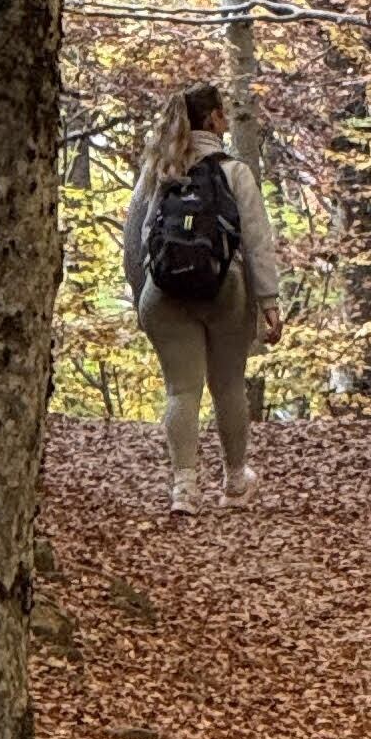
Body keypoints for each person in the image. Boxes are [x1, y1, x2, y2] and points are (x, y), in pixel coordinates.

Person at [124, 81, 283, 512]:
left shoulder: (159, 171)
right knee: (228, 384)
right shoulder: (234, 172)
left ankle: (184, 489)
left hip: (165, 292)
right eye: (223, 113)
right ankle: (234, 482)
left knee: (181, 390)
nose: (227, 119)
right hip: (224, 289)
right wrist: (269, 302)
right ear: (213, 120)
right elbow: (256, 243)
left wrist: (142, 296)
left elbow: (137, 239)